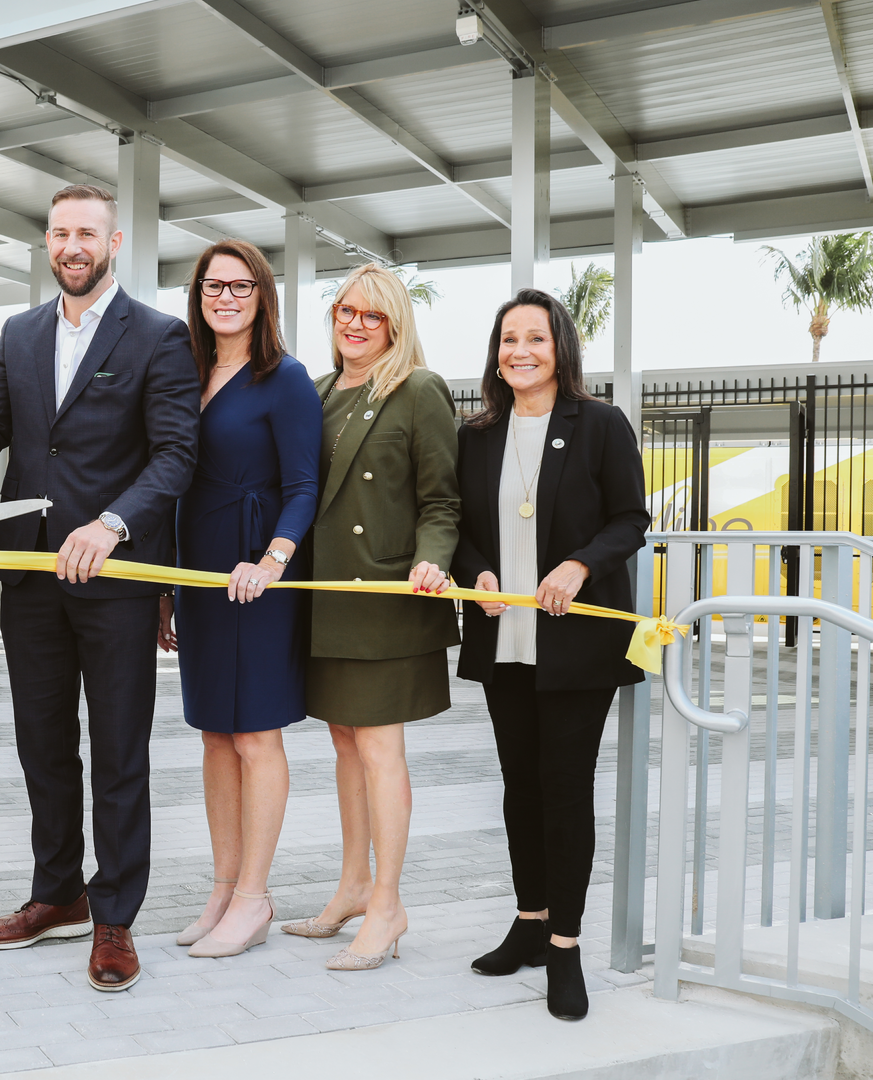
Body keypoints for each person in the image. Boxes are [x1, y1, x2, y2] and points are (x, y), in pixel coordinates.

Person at [0, 184, 199, 993]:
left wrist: (113, 524)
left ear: (114, 242)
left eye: (86, 233)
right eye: (60, 233)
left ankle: (115, 916)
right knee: (43, 746)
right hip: (30, 576)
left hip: (116, 578)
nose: (71, 246)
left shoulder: (160, 336)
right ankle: (57, 894)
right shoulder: (20, 333)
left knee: (119, 752)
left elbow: (175, 454)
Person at [453, 289, 649, 1022]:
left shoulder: (599, 424)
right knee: (520, 786)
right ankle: (529, 922)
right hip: (504, 637)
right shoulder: (476, 435)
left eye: (535, 338)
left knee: (565, 790)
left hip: (575, 644)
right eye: (509, 340)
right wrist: (477, 573)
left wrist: (579, 565)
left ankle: (565, 945)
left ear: (560, 347)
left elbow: (631, 518)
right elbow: (459, 527)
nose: (521, 352)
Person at [282, 263, 458, 973]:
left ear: (395, 325)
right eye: (345, 311)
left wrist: (433, 559)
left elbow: (441, 500)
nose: (354, 324)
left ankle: (388, 904)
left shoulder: (418, 389)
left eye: (372, 315)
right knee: (345, 746)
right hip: (326, 601)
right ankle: (354, 884)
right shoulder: (318, 391)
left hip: (386, 596)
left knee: (380, 749)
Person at [157, 239, 320, 959]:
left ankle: (255, 897)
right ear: (197, 296)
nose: (225, 297)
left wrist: (273, 558)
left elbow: (304, 484)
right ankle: (223, 889)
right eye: (212, 285)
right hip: (197, 573)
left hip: (257, 577)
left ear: (262, 295)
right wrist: (166, 584)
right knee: (214, 735)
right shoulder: (183, 374)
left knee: (255, 735)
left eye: (240, 285)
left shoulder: (285, 378)